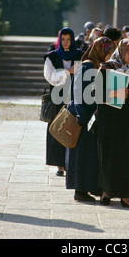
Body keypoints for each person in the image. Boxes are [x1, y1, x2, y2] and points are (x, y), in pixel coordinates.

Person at [66, 27, 121, 202]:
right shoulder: (88, 67)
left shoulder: (96, 66)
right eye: (109, 52)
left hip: (91, 118)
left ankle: (86, 189)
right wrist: (83, 117)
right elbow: (82, 93)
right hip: (84, 118)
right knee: (83, 156)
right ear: (100, 51)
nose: (111, 56)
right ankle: (80, 190)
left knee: (89, 156)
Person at [96, 38, 129, 208]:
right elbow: (96, 93)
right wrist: (115, 92)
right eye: (128, 51)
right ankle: (106, 192)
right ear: (121, 51)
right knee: (110, 155)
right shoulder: (107, 67)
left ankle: (125, 195)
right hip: (109, 119)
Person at [43, 28, 84, 176]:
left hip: (75, 98)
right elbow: (50, 76)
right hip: (57, 99)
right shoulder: (52, 56)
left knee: (73, 129)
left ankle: (70, 162)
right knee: (56, 128)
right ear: (60, 40)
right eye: (63, 39)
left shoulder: (80, 55)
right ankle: (59, 164)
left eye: (68, 39)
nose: (66, 42)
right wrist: (68, 71)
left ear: (72, 40)